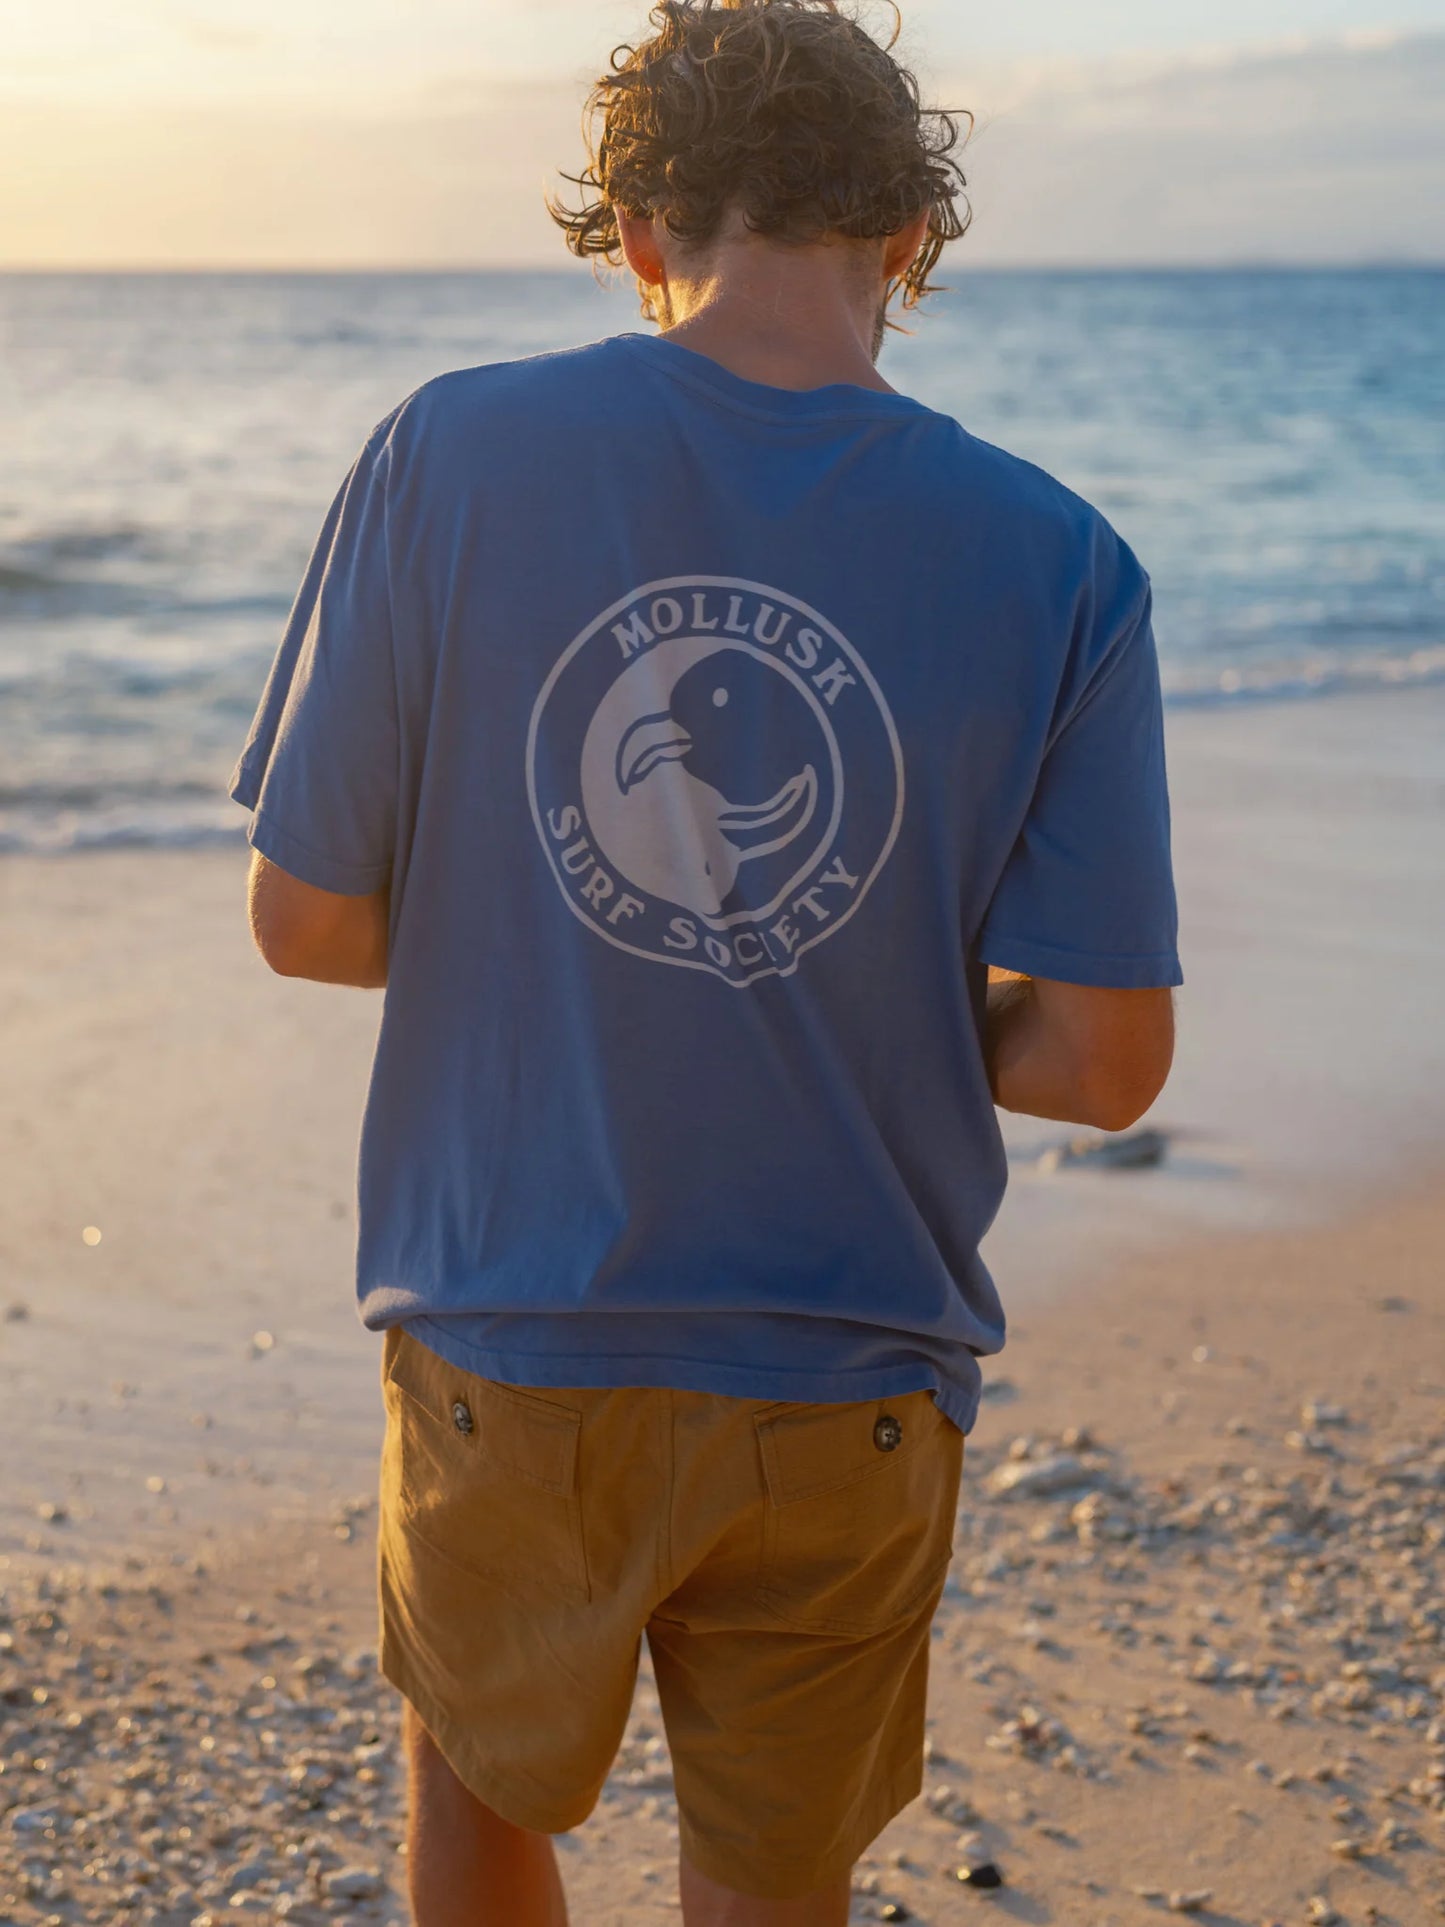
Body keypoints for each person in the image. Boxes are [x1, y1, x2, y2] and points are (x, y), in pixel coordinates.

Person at [231, 2, 1180, 1920]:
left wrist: (537, 923)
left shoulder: (450, 452)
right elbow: (1102, 1063)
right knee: (777, 1881)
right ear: (907, 239)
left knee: (486, 1808)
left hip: (521, 1334)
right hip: (853, 1361)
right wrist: (868, 981)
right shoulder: (1062, 559)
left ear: (643, 233)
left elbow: (308, 917)